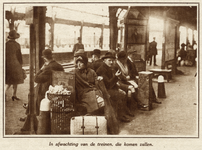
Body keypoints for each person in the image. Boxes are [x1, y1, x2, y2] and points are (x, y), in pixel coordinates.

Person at [26, 49, 64, 116]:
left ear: (44, 58)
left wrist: (41, 69)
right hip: (58, 88)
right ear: (52, 56)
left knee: (31, 93)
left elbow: (36, 79)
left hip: (47, 90)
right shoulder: (59, 66)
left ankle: (32, 114)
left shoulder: (47, 68)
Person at [96, 52, 132, 122]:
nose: (111, 62)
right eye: (109, 60)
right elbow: (108, 85)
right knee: (120, 95)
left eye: (112, 60)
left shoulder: (109, 68)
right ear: (104, 60)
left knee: (123, 92)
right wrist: (116, 77)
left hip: (110, 88)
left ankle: (123, 112)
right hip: (104, 91)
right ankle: (121, 116)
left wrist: (117, 87)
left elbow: (111, 83)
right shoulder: (101, 70)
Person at [5, 30, 24, 101]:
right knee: (15, 81)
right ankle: (14, 95)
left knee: (9, 81)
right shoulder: (17, 45)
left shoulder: (5, 44)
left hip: (7, 65)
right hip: (16, 64)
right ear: (15, 37)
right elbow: (19, 56)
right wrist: (21, 64)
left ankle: (4, 93)